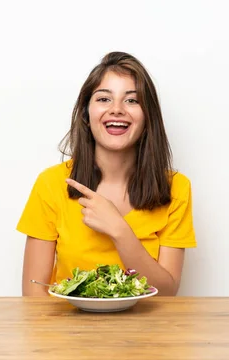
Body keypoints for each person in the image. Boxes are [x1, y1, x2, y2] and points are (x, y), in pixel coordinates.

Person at [17, 51, 196, 296]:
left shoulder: (176, 188)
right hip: (67, 332)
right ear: (86, 114)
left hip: (147, 333)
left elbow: (166, 293)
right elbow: (33, 294)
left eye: (132, 100)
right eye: (104, 99)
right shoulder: (51, 183)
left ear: (148, 117)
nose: (117, 109)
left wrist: (119, 231)